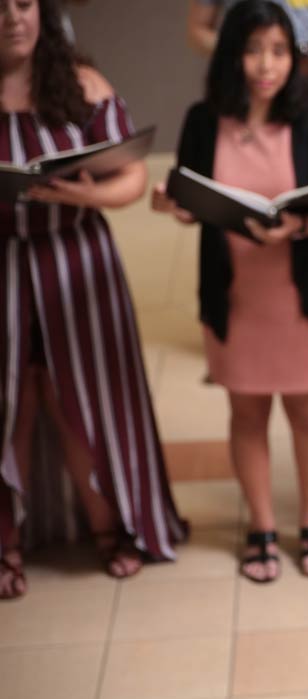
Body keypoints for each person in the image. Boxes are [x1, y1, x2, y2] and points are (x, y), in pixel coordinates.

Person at [153, 0, 308, 582]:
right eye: (253, 49)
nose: (267, 64)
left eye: (279, 50)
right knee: (246, 411)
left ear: (294, 56)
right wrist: (175, 207)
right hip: (234, 291)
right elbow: (191, 199)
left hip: (300, 289)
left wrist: (299, 224)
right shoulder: (203, 118)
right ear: (231, 53)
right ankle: (262, 526)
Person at [0, 0, 187, 599]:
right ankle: (7, 542)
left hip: (76, 260)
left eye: (24, 3)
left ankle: (112, 526)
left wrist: (79, 195)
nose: (12, 17)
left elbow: (130, 178)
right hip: (1, 265)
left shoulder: (81, 82)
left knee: (81, 398)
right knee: (12, 403)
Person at [186, 0, 308, 103]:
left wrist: (288, 63)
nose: (266, 65)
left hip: (305, 92)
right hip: (237, 93)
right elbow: (198, 30)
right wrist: (239, 51)